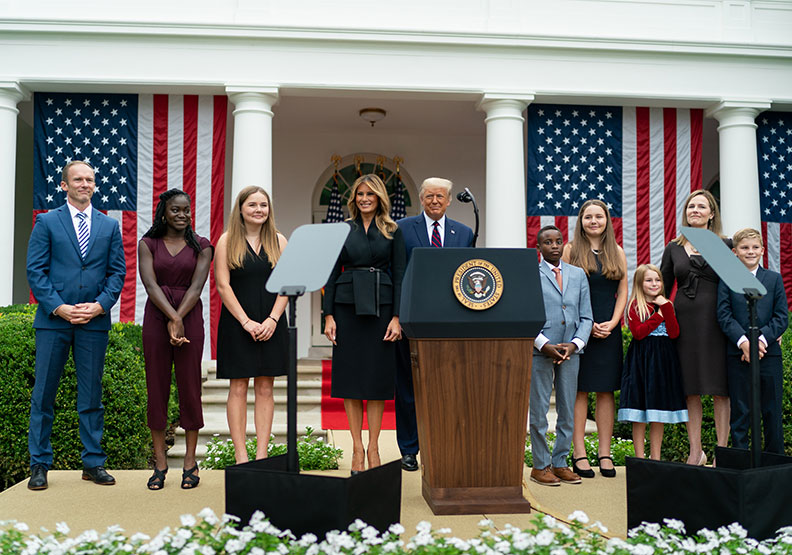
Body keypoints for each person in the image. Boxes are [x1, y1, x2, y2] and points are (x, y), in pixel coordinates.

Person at [26, 160, 126, 490]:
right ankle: (39, 464)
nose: (85, 184)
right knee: (43, 395)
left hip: (93, 324)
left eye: (90, 180)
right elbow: (35, 272)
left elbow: (117, 274)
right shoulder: (47, 222)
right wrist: (60, 308)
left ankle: (93, 463)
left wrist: (99, 306)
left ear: (94, 185)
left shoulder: (108, 226)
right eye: (78, 179)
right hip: (54, 323)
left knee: (92, 395)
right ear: (64, 185)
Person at [323, 174, 406, 475]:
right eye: (360, 194)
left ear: (380, 197)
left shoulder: (394, 230)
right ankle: (356, 447)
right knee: (351, 380)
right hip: (347, 308)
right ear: (354, 198)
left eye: (370, 194)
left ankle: (374, 446)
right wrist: (328, 315)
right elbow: (330, 274)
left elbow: (400, 275)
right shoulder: (343, 229)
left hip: (382, 310)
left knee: (375, 381)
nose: (365, 198)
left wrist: (397, 316)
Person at [395, 177, 474, 472]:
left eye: (440, 196)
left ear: (450, 199)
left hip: (450, 323)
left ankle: (443, 447)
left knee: (447, 387)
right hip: (411, 321)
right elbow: (398, 273)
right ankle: (409, 449)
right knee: (407, 387)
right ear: (422, 199)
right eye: (429, 196)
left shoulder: (464, 233)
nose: (435, 201)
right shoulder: (402, 229)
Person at [139, 189, 213, 490]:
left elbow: (197, 287)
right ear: (164, 212)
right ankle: (159, 463)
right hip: (157, 317)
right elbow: (149, 284)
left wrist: (180, 318)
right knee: (156, 388)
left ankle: (190, 462)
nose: (182, 215)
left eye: (186, 210)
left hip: (190, 317)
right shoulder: (148, 244)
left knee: (190, 386)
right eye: (175, 210)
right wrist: (172, 318)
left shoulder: (203, 246)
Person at [215, 186, 289, 464]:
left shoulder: (279, 241)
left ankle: (261, 454)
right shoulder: (227, 241)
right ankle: (241, 456)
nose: (259, 210)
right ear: (241, 209)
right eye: (252, 205)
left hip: (272, 323)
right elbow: (223, 285)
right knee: (237, 387)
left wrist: (272, 319)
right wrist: (245, 322)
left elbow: (286, 285)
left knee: (266, 388)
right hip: (237, 323)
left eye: (263, 205)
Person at [660, 190, 729, 466]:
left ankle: (722, 452)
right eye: (691, 206)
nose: (696, 210)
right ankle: (696, 451)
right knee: (691, 388)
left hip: (717, 323)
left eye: (702, 206)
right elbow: (661, 289)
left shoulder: (725, 245)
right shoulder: (673, 248)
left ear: (712, 213)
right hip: (684, 326)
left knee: (720, 388)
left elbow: (739, 287)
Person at [562, 199, 627, 478]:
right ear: (581, 221)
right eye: (588, 217)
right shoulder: (570, 250)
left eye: (598, 216)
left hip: (608, 329)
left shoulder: (618, 252)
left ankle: (605, 453)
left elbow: (623, 290)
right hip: (579, 330)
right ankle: (579, 452)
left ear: (606, 220)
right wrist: (585, 327)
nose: (593, 221)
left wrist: (613, 322)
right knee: (579, 390)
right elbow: (562, 291)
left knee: (605, 391)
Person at [529, 225, 593, 487]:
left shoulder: (577, 275)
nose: (554, 246)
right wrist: (543, 343)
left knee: (567, 408)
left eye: (558, 241)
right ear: (539, 247)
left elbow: (587, 316)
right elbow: (526, 313)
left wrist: (575, 344)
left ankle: (561, 461)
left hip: (570, 351)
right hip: (540, 350)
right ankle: (540, 465)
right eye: (547, 242)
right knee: (540, 409)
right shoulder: (531, 274)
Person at [717, 228, 788, 454]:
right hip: (738, 354)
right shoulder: (728, 280)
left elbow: (781, 316)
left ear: (763, 251)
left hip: (769, 355)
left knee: (772, 412)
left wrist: (759, 341)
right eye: (745, 248)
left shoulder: (773, 279)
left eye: (755, 247)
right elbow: (724, 315)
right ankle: (742, 467)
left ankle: (774, 464)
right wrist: (743, 342)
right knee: (741, 412)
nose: (750, 252)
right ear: (735, 252)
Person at [618, 264, 688, 460]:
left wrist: (666, 308)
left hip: (663, 361)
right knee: (640, 411)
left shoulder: (667, 305)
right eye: (649, 280)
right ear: (640, 283)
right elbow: (638, 333)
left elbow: (674, 333)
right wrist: (658, 316)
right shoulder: (635, 305)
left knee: (658, 411)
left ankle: (655, 458)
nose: (654, 283)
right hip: (642, 360)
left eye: (657, 280)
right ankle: (640, 458)